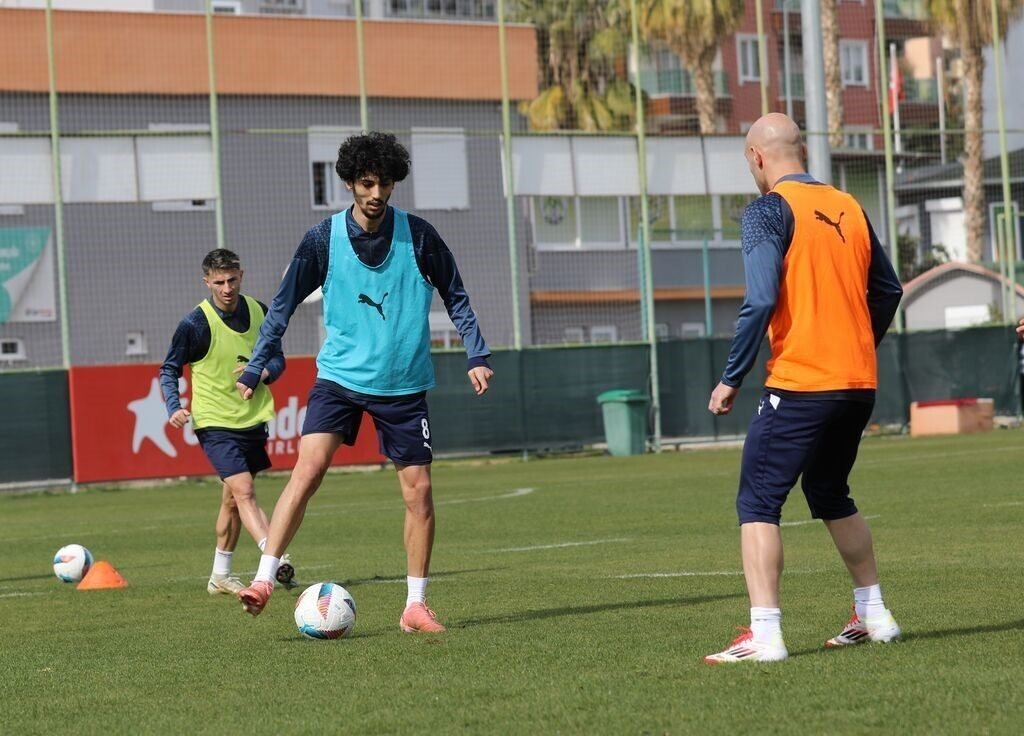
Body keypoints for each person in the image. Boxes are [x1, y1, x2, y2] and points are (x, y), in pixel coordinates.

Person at [234, 132, 493, 633]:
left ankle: (414, 606)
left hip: (403, 385)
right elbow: (282, 306)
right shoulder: (321, 240)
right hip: (340, 379)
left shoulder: (420, 237)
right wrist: (254, 365)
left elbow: (456, 295)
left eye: (385, 184)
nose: (377, 193)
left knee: (419, 492)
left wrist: (476, 353)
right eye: (367, 183)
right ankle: (263, 579)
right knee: (307, 471)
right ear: (350, 183)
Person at [704, 114, 904, 663]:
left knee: (758, 502)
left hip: (800, 382)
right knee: (829, 491)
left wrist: (731, 377)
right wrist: (854, 346)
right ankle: (874, 614)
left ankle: (764, 635)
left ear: (756, 157)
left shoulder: (768, 209)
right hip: (856, 383)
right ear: (803, 151)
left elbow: (760, 298)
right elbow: (888, 290)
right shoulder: (849, 205)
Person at [160, 248, 295, 595]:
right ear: (207, 282)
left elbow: (278, 358)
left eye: (232, 280)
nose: (227, 288)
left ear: (241, 276)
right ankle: (274, 557)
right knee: (245, 491)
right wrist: (174, 405)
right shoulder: (195, 324)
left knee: (233, 500)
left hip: (251, 418)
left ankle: (220, 574)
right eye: (219, 282)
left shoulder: (260, 311)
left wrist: (262, 373)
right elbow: (169, 369)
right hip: (214, 422)